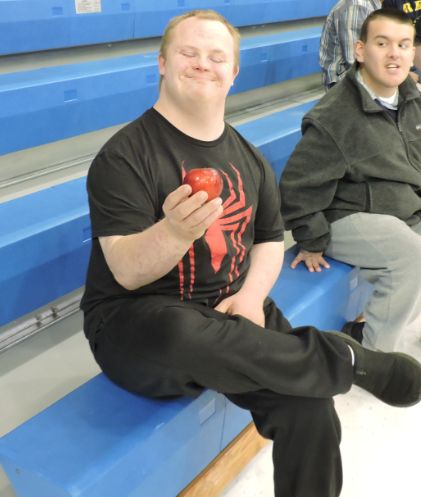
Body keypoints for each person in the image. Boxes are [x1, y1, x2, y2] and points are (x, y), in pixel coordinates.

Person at [81, 9, 421, 497]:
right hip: (137, 323)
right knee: (180, 328)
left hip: (229, 310)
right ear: (161, 62)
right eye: (188, 53)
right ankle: (346, 357)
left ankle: (328, 372)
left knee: (312, 409)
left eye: (217, 56)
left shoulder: (250, 158)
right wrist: (175, 233)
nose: (203, 64)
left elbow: (267, 241)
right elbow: (126, 272)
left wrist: (250, 295)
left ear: (234, 72)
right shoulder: (123, 156)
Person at [281, 8, 421, 353]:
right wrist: (311, 238)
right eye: (382, 43)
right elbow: (296, 186)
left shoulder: (411, 98)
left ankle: (365, 331)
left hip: (399, 207)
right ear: (360, 51)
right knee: (411, 255)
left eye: (404, 44)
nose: (395, 54)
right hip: (344, 215)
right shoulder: (335, 115)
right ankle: (375, 358)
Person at [320, 0, 383, 90]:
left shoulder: (373, 6)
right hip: (345, 87)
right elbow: (356, 64)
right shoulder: (356, 5)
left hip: (363, 80)